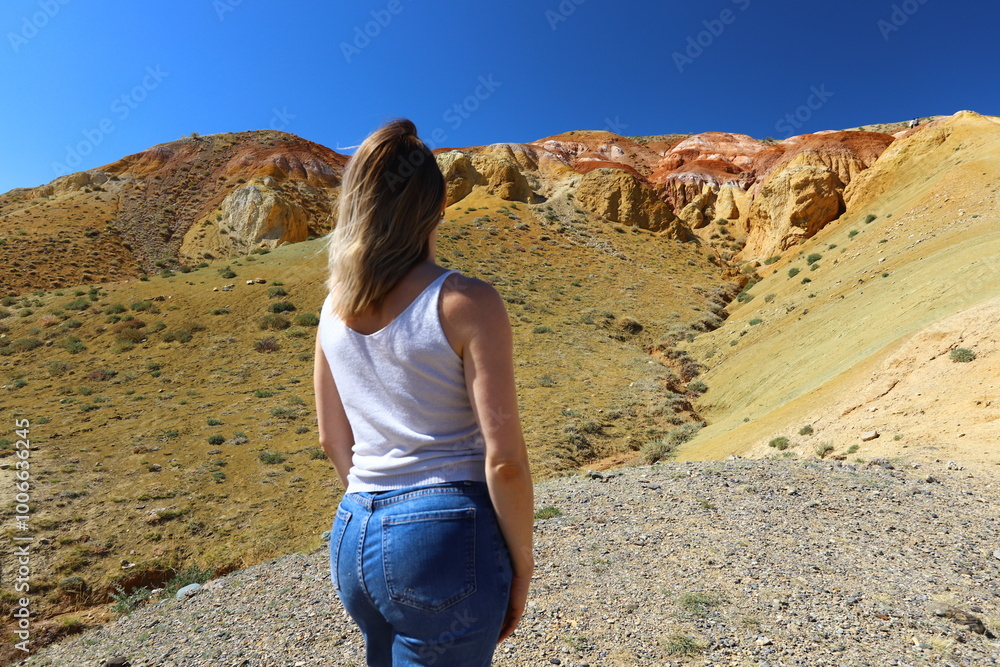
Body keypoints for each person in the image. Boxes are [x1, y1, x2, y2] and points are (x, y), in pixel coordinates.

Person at [313, 118, 534, 666]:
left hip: (353, 530)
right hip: (442, 537)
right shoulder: (466, 302)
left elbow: (330, 439)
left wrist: (381, 508)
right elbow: (504, 460)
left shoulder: (331, 309)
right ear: (436, 209)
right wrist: (522, 566)